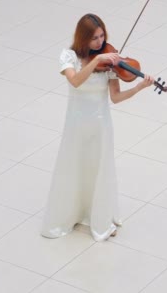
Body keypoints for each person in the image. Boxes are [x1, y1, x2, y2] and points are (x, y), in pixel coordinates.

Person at [41, 13, 154, 242]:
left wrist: (140, 87)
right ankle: (72, 212)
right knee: (74, 165)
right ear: (83, 38)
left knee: (99, 167)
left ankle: (100, 217)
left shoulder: (109, 64)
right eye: (94, 38)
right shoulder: (69, 57)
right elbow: (75, 81)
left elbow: (116, 97)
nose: (100, 43)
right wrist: (94, 61)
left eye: (102, 36)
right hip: (76, 123)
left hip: (101, 124)